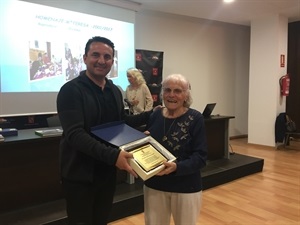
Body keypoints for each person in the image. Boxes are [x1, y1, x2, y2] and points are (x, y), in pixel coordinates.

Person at [56, 36, 152, 225]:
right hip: (80, 174)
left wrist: (151, 116)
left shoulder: (114, 90)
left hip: (106, 173)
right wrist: (113, 156)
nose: (102, 60)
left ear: (112, 61)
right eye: (96, 55)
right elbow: (75, 134)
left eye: (107, 56)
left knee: (101, 220)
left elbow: (121, 122)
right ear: (84, 58)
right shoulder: (70, 90)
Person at [143, 73, 207, 225]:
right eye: (167, 90)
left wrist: (176, 167)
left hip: (185, 185)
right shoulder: (155, 115)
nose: (171, 95)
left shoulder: (195, 118)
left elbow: (201, 157)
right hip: (154, 184)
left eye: (178, 91)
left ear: (186, 95)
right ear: (162, 93)